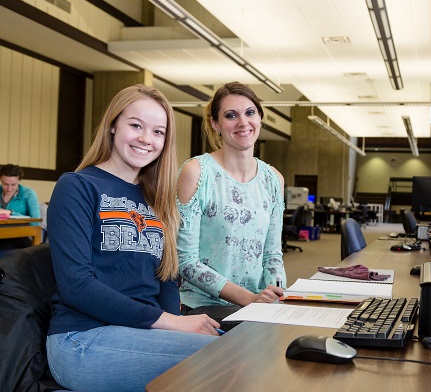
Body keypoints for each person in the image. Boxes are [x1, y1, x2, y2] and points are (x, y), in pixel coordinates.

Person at [46, 84, 219, 392]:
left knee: (239, 346)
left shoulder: (157, 199)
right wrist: (172, 323)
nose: (146, 139)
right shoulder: (77, 186)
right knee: (224, 359)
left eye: (158, 132)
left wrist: (176, 323)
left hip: (142, 331)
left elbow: (165, 278)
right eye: (135, 125)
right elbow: (77, 286)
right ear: (113, 125)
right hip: (82, 339)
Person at [177, 81, 286, 329]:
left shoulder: (273, 180)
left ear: (260, 118)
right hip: (204, 305)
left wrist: (278, 294)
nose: (242, 122)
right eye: (230, 115)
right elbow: (187, 263)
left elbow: (272, 255)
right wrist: (250, 300)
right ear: (215, 123)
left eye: (250, 113)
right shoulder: (197, 172)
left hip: (257, 304)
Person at [0, 164, 41, 257]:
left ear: (19, 180)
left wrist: (11, 213)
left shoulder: (28, 194)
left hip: (19, 235)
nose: (9, 188)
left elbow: (36, 221)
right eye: (5, 184)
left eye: (13, 184)